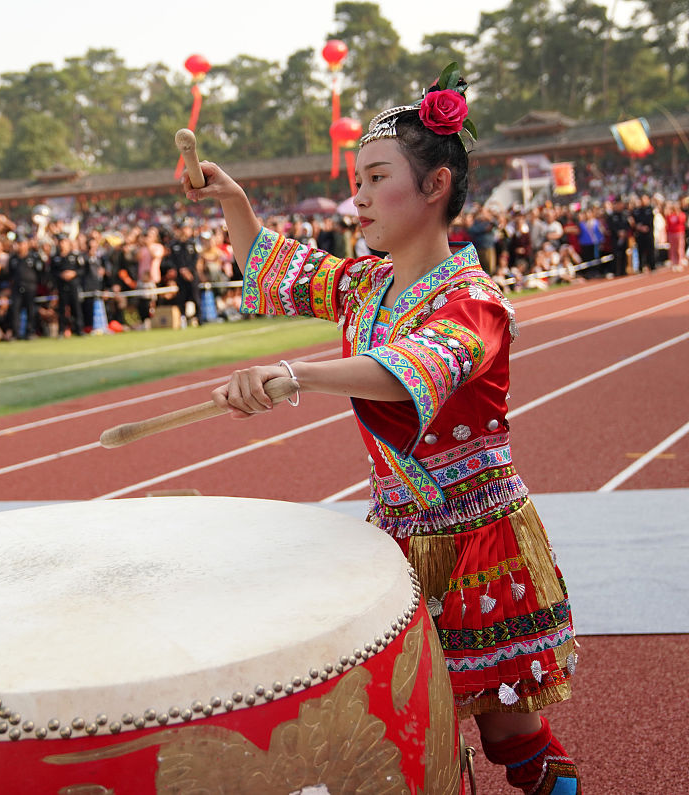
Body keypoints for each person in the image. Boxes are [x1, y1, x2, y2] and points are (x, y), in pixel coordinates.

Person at [183, 64, 579, 793]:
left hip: (476, 542)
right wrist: (233, 200)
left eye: (374, 178)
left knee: (507, 730)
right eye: (356, 180)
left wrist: (296, 377)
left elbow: (409, 369)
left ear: (434, 188)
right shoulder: (366, 284)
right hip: (394, 537)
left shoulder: (475, 301)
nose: (356, 197)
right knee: (406, 731)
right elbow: (283, 268)